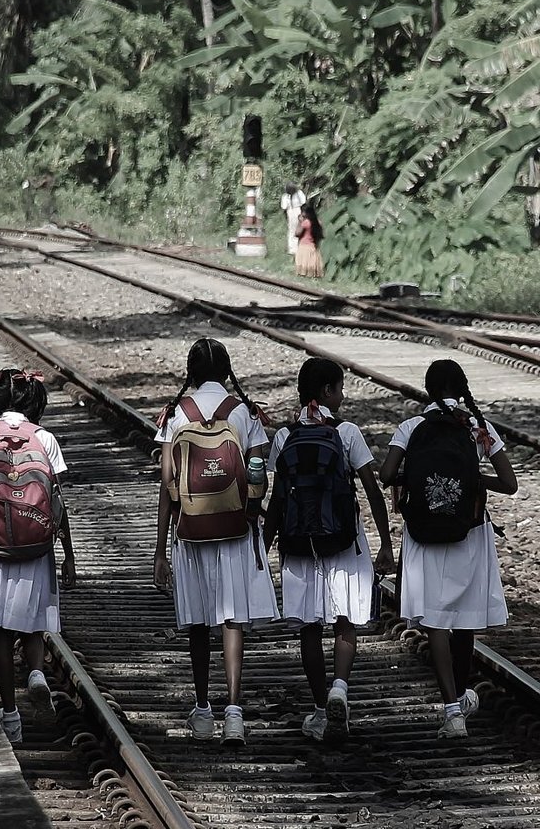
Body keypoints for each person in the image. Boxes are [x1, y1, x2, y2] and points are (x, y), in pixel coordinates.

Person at [377, 359, 519, 740]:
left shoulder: (411, 427)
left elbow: (386, 475)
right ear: (462, 388)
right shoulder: (477, 428)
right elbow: (510, 483)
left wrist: (419, 477)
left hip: (423, 533)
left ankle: (453, 708)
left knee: (435, 620)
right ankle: (460, 695)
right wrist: (473, 478)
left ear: (427, 389)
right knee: (464, 620)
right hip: (469, 533)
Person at [153, 338, 277, 745]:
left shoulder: (176, 416)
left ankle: (203, 709)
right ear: (227, 372)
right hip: (236, 529)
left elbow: (168, 484)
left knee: (199, 622)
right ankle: (235, 712)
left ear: (190, 372)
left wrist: (160, 550)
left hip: (191, 530)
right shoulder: (244, 413)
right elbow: (258, 474)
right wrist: (251, 509)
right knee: (231, 617)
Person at [263, 357, 394, 741]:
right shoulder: (348, 432)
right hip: (342, 540)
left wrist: (264, 546)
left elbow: (277, 501)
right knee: (344, 621)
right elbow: (371, 491)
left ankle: (321, 709)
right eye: (339, 388)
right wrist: (386, 542)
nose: (342, 395)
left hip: (299, 543)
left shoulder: (284, 437)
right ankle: (340, 687)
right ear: (326, 392)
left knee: (308, 626)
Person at [0, 369, 78, 746]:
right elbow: (57, 503)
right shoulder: (45, 439)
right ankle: (36, 673)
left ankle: (10, 717)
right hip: (35, 547)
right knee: (32, 622)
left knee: (1, 634)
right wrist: (68, 554)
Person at [294, 201, 325, 279]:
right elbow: (320, 235)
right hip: (313, 247)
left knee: (303, 271)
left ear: (305, 213)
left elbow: (297, 233)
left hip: (304, 246)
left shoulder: (306, 223)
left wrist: (299, 222)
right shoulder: (318, 222)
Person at [281, 184, 306, 257]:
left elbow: (303, 203)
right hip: (290, 211)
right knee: (291, 230)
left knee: (300, 229)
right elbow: (284, 207)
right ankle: (292, 249)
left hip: (298, 210)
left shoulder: (299, 193)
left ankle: (301, 247)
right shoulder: (285, 196)